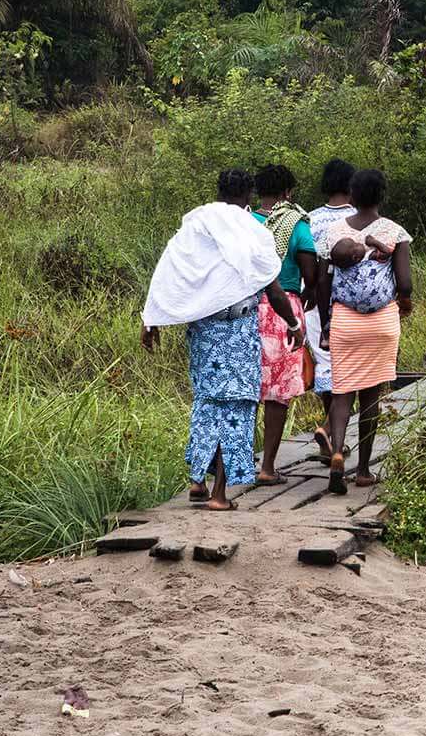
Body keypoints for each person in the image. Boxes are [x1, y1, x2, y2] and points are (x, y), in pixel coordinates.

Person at [140, 169, 300, 511]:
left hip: (203, 332)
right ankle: (219, 495)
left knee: (207, 402)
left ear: (219, 190)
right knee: (238, 406)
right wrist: (293, 323)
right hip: (238, 330)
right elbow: (271, 286)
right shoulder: (252, 230)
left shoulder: (197, 225)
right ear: (249, 195)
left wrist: (151, 318)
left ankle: (198, 481)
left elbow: (171, 271)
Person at [317, 167, 412, 493]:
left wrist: (326, 323)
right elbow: (406, 283)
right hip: (382, 322)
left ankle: (338, 453)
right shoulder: (395, 232)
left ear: (352, 196)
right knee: (371, 395)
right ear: (381, 196)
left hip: (345, 320)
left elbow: (322, 282)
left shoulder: (333, 232)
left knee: (342, 391)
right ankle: (363, 471)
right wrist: (406, 302)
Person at [250, 163, 319, 486]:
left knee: (247, 389)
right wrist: (307, 301)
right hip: (283, 311)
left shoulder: (244, 222)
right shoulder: (296, 225)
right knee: (277, 394)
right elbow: (311, 275)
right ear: (288, 193)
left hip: (246, 310)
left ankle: (236, 464)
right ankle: (267, 466)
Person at [302, 158, 358, 454]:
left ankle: (330, 444)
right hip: (348, 305)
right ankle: (328, 430)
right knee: (351, 373)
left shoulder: (310, 220)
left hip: (314, 301)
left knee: (327, 367)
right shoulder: (360, 219)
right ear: (352, 185)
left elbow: (308, 266)